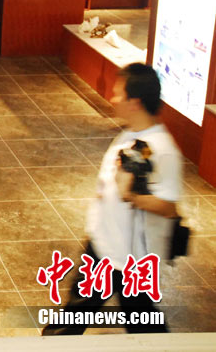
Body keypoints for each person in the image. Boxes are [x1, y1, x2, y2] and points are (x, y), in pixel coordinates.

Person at [42, 63, 179, 335]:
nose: (113, 99)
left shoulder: (162, 149)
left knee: (138, 324)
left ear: (134, 102)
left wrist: (131, 195)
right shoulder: (129, 135)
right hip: (106, 248)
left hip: (130, 260)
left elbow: (168, 207)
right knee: (83, 317)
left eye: (118, 94)